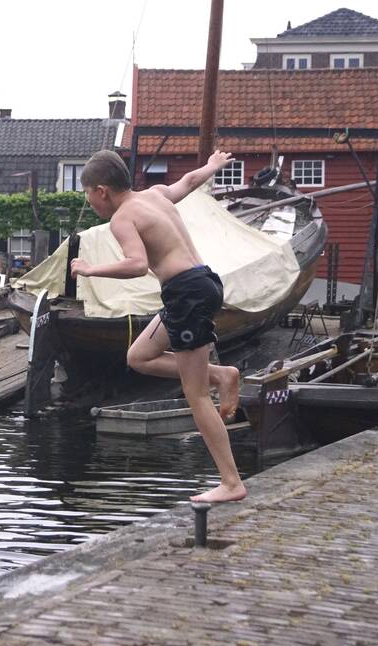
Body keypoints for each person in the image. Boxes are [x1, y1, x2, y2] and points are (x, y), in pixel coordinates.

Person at [70, 150, 246, 503]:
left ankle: (231, 483)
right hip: (202, 283)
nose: (88, 201)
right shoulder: (154, 195)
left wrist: (90, 269)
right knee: (139, 356)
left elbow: (136, 265)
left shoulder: (122, 218)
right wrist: (211, 166)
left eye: (87, 193)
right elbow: (189, 182)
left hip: (186, 294)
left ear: (102, 191)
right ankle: (221, 374)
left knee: (196, 395)